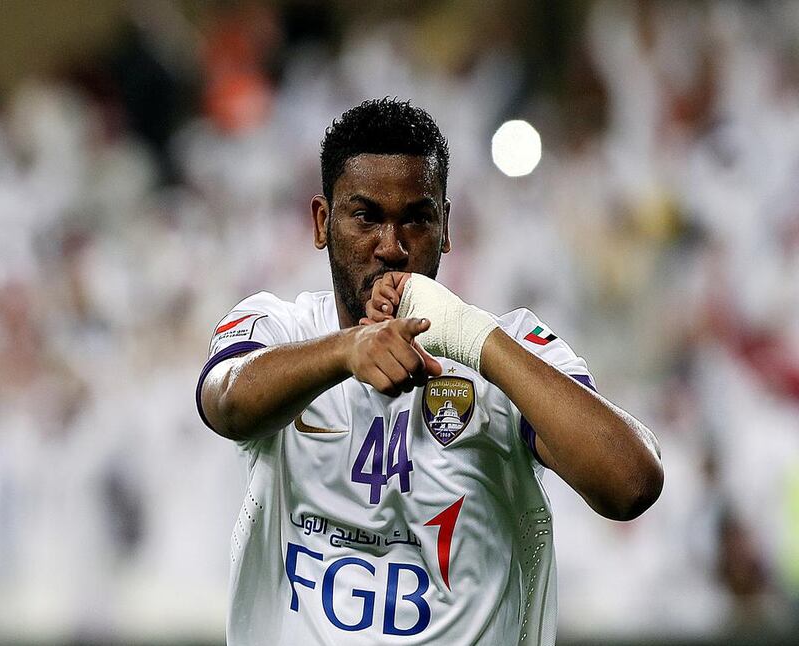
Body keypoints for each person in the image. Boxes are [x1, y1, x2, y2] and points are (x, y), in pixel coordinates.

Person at [196, 98, 663, 645]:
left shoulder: (508, 350)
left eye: (416, 218)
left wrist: (472, 336)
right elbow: (225, 402)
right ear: (323, 223)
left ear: (445, 227)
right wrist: (347, 351)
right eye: (366, 216)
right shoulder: (278, 327)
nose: (391, 248)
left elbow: (631, 483)